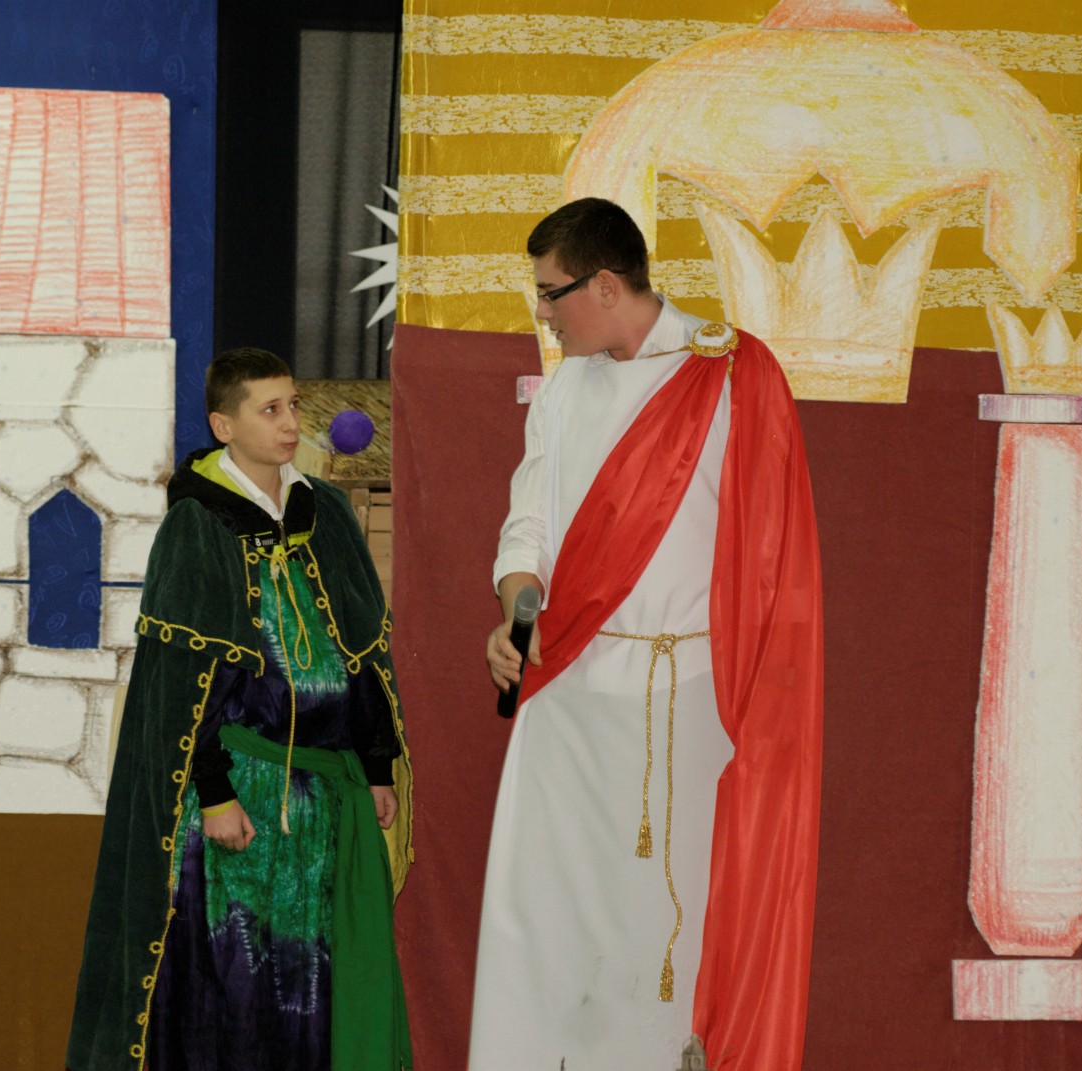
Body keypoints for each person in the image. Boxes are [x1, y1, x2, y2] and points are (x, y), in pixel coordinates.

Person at [470, 198, 823, 1071]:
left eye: (551, 292)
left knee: (672, 915)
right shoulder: (564, 390)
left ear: (605, 284)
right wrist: (518, 605)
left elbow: (772, 553)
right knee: (543, 913)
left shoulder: (730, 373)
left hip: (691, 698)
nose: (542, 312)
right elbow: (528, 526)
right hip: (571, 695)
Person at [67, 347, 413, 1071]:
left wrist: (376, 763)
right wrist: (216, 794)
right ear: (225, 426)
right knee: (234, 986)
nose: (291, 423)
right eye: (270, 409)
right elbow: (181, 687)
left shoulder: (326, 514)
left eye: (294, 406)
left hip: (322, 802)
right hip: (238, 803)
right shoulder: (197, 527)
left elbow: (362, 653)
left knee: (311, 990)